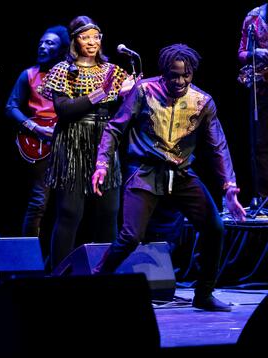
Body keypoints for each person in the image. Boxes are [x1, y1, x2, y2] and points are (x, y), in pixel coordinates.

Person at [92, 44, 247, 311]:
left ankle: (204, 293)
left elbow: (217, 145)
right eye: (174, 75)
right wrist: (102, 164)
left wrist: (229, 185)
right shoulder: (144, 91)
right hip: (145, 172)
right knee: (130, 236)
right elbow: (115, 129)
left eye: (186, 75)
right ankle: (93, 286)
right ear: (164, 73)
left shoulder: (202, 101)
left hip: (182, 173)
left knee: (214, 228)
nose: (180, 81)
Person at [39, 15, 136, 272]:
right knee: (70, 213)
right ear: (75, 41)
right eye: (85, 37)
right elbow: (64, 110)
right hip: (72, 141)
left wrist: (129, 94)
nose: (91, 42)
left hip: (105, 140)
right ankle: (59, 274)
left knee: (108, 212)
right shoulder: (63, 70)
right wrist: (101, 93)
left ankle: (107, 273)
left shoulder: (113, 71)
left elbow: (125, 111)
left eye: (96, 37)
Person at [5, 25, 70, 246]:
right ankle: (29, 258)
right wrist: (34, 127)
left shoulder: (73, 75)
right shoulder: (29, 75)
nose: (42, 46)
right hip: (41, 142)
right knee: (39, 202)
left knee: (67, 204)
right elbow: (10, 107)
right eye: (41, 42)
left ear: (62, 49)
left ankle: (60, 259)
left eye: (49, 43)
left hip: (68, 142)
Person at [237, 0, 268, 205]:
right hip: (261, 86)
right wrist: (255, 52)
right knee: (259, 142)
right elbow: (241, 53)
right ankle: (263, 195)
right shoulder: (253, 17)